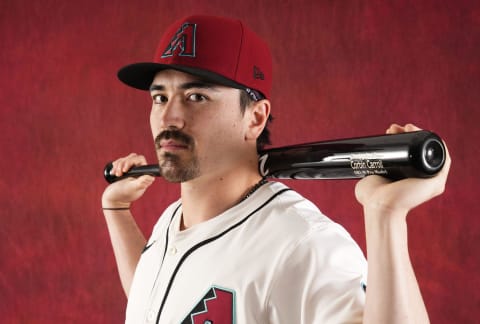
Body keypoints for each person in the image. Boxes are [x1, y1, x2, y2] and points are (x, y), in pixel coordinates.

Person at [102, 15, 451, 324]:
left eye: (197, 97)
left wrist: (385, 215)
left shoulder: (303, 244)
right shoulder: (172, 219)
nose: (168, 117)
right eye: (160, 97)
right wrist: (116, 211)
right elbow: (153, 303)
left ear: (255, 117)